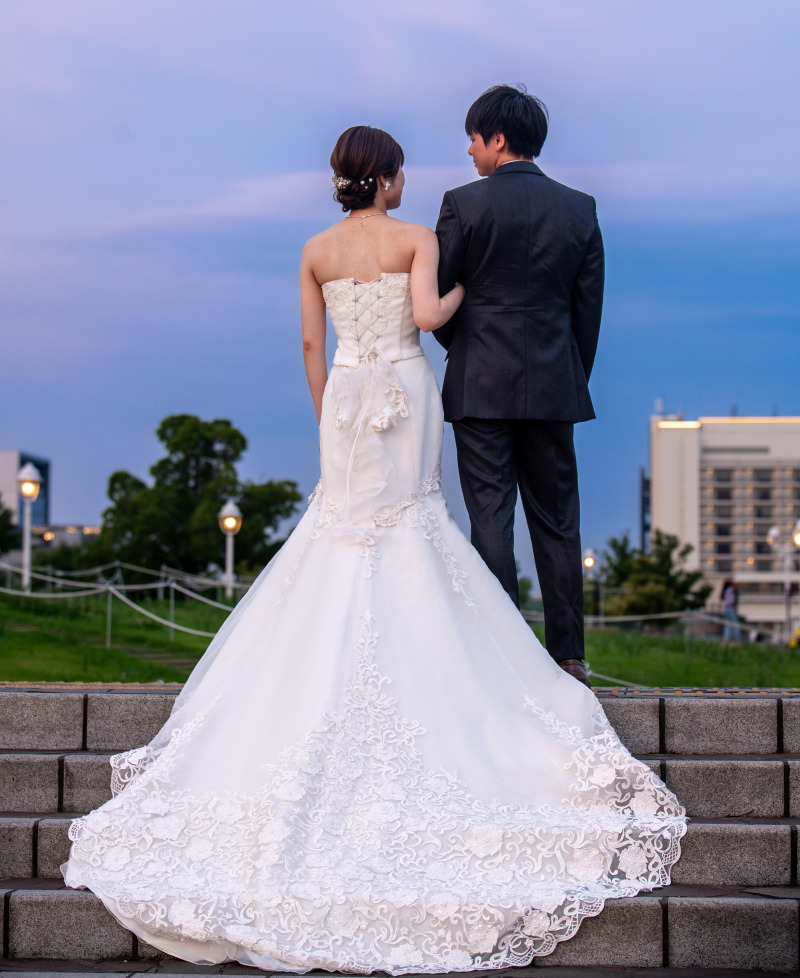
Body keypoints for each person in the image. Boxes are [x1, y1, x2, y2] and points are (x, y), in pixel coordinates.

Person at [64, 125, 684, 974]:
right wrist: (466, 293)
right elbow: (427, 317)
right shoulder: (418, 238)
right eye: (399, 172)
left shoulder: (315, 251)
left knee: (339, 532)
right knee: (413, 522)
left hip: (348, 395)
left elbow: (310, 346)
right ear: (388, 178)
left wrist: (330, 412)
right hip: (405, 389)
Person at [434, 86, 604, 689]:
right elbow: (587, 313)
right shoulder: (580, 209)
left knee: (491, 518)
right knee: (558, 521)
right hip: (555, 385)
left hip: (479, 385)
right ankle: (568, 657)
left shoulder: (462, 204)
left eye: (473, 140)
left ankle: (502, 654)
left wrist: (469, 347)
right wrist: (566, 373)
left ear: (498, 139)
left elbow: (439, 297)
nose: (470, 152)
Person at [721, 579, 741, 643]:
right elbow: (736, 585)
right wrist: (731, 581)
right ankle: (737, 640)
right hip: (730, 608)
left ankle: (726, 640)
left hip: (726, 608)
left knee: (727, 625)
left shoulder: (725, 590)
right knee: (735, 624)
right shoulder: (729, 589)